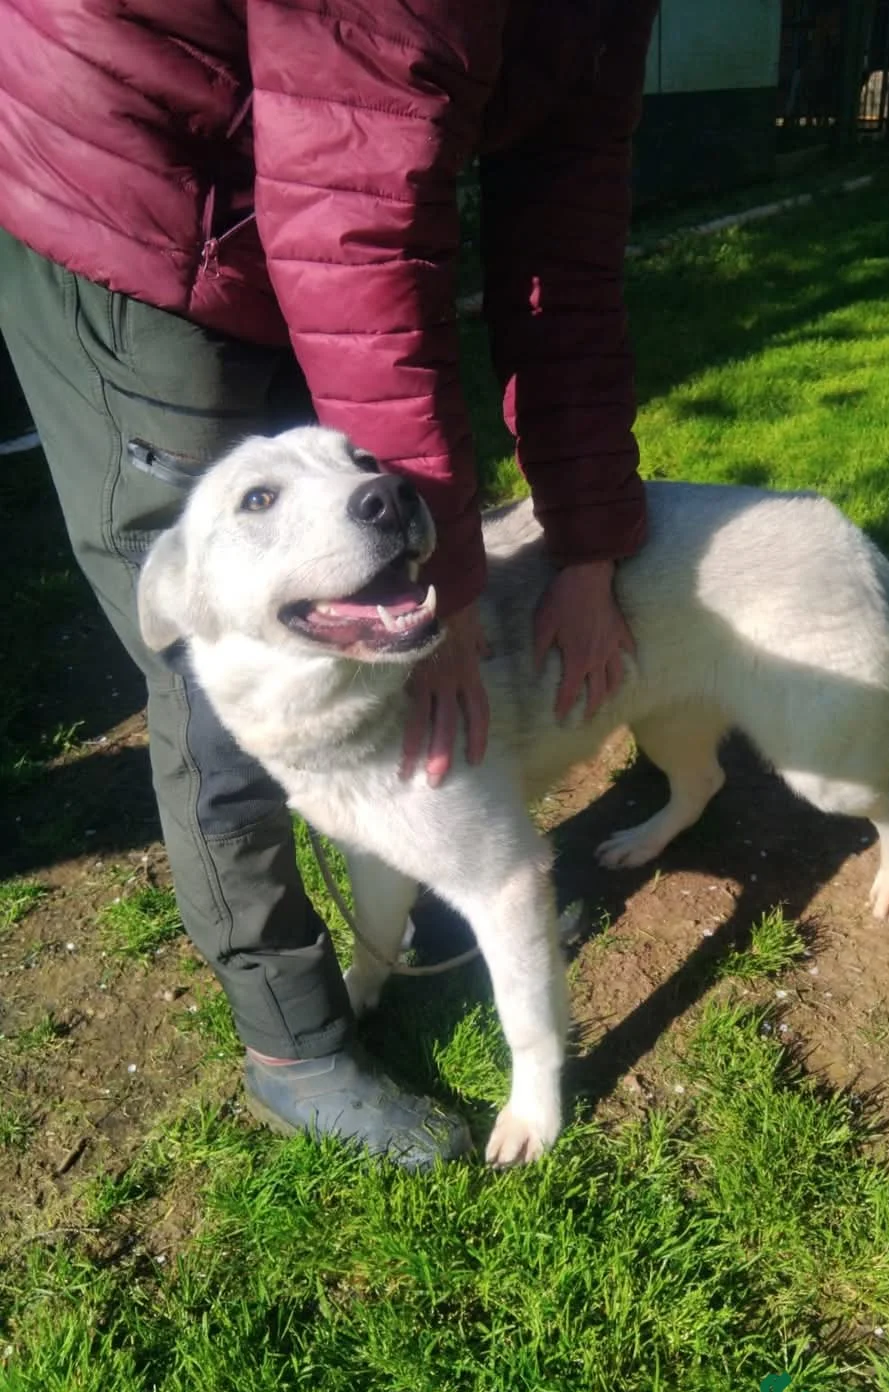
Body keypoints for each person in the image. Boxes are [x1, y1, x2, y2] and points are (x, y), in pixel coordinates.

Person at [0, 0, 657, 1168]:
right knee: (214, 684)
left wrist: (593, 541)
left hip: (297, 184)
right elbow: (357, 222)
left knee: (333, 510)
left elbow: (567, 260)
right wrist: (445, 585)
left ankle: (386, 945)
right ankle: (297, 1042)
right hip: (127, 183)